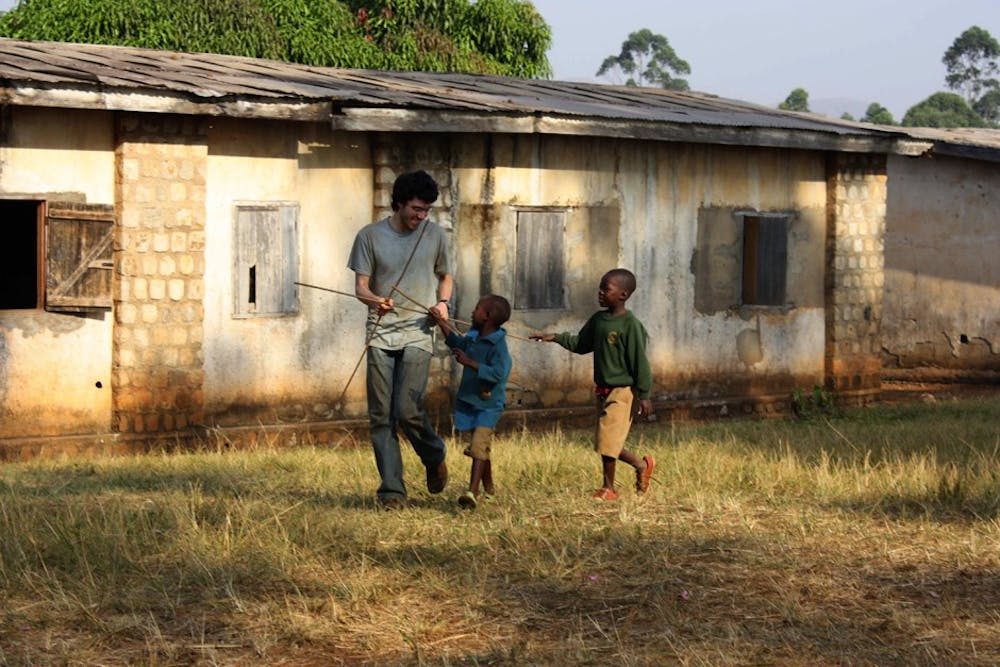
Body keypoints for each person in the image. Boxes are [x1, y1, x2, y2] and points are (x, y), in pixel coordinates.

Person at [348, 170, 452, 510]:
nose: (421, 217)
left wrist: (442, 303)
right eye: (416, 209)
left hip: (418, 331)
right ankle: (392, 490)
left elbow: (446, 275)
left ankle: (434, 454)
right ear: (399, 203)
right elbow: (360, 287)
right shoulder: (369, 236)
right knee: (380, 415)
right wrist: (375, 300)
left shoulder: (435, 235)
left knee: (407, 409)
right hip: (380, 334)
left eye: (426, 211)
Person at [530, 268, 655, 501]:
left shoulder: (630, 325)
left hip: (623, 391)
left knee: (607, 441)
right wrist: (555, 337)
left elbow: (640, 361)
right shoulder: (598, 320)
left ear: (623, 295)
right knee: (605, 440)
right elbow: (581, 343)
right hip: (603, 390)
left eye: (606, 289)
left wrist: (645, 394)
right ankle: (641, 464)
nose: (599, 292)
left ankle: (609, 489)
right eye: (600, 287)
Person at [429, 294, 512, 509]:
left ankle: (471, 492)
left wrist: (470, 363)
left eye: (477, 309)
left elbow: (499, 373)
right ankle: (490, 488)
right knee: (480, 448)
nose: (472, 312)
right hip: (471, 402)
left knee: (477, 446)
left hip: (489, 404)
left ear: (487, 316)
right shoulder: (474, 337)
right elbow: (457, 343)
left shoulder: (498, 345)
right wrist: (440, 322)